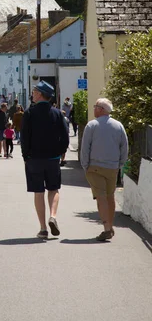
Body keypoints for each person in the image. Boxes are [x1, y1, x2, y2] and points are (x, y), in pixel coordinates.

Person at [21, 81, 69, 239]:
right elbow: (65, 136)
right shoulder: (57, 113)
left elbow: (25, 137)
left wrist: (25, 156)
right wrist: (60, 152)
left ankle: (43, 229)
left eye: (34, 91)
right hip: (53, 158)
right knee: (53, 189)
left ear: (40, 94)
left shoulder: (29, 113)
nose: (33, 94)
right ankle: (53, 216)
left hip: (34, 158)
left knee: (38, 192)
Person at [80, 98, 128, 242]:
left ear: (101, 109)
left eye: (95, 106)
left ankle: (107, 229)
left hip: (95, 167)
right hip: (112, 167)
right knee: (110, 196)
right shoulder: (118, 126)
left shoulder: (92, 125)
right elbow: (124, 147)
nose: (94, 109)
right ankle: (110, 226)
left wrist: (85, 165)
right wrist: (120, 164)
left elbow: (85, 148)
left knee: (101, 197)